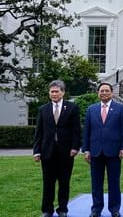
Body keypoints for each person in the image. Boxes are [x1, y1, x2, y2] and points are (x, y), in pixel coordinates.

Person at [33, 80, 81, 217]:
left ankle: (63, 209)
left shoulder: (72, 108)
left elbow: (76, 130)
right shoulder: (43, 109)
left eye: (56, 91)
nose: (54, 94)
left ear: (63, 92)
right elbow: (39, 132)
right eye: (52, 91)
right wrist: (36, 151)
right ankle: (47, 210)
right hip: (47, 152)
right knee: (48, 183)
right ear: (49, 93)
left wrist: (75, 147)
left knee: (64, 182)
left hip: (66, 152)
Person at [82, 82, 123, 217]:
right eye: (101, 91)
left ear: (112, 92)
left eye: (106, 91)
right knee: (96, 183)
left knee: (114, 182)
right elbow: (86, 131)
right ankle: (96, 209)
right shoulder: (91, 109)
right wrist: (86, 149)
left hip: (114, 151)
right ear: (98, 93)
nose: (104, 93)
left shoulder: (120, 108)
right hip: (95, 151)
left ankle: (114, 209)